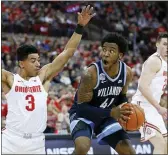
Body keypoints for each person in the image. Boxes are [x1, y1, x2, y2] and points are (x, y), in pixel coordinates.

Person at [2, 5, 96, 154]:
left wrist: (80, 27)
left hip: (36, 142)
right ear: (21, 63)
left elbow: (67, 53)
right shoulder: (9, 79)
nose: (38, 64)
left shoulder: (43, 76)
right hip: (10, 141)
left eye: (38, 60)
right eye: (33, 61)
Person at [69, 33, 136, 155]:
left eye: (111, 51)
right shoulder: (90, 74)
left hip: (106, 116)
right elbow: (82, 108)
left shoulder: (127, 72)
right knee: (82, 147)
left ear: (120, 55)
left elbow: (122, 97)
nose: (105, 53)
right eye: (104, 49)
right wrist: (111, 112)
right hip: (83, 116)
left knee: (129, 151)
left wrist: (127, 112)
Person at [131, 32, 168, 154]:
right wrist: (158, 107)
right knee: (160, 144)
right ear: (157, 44)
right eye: (164, 44)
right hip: (142, 107)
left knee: (166, 146)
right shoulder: (154, 61)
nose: (167, 47)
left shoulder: (165, 61)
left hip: (153, 108)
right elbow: (142, 86)